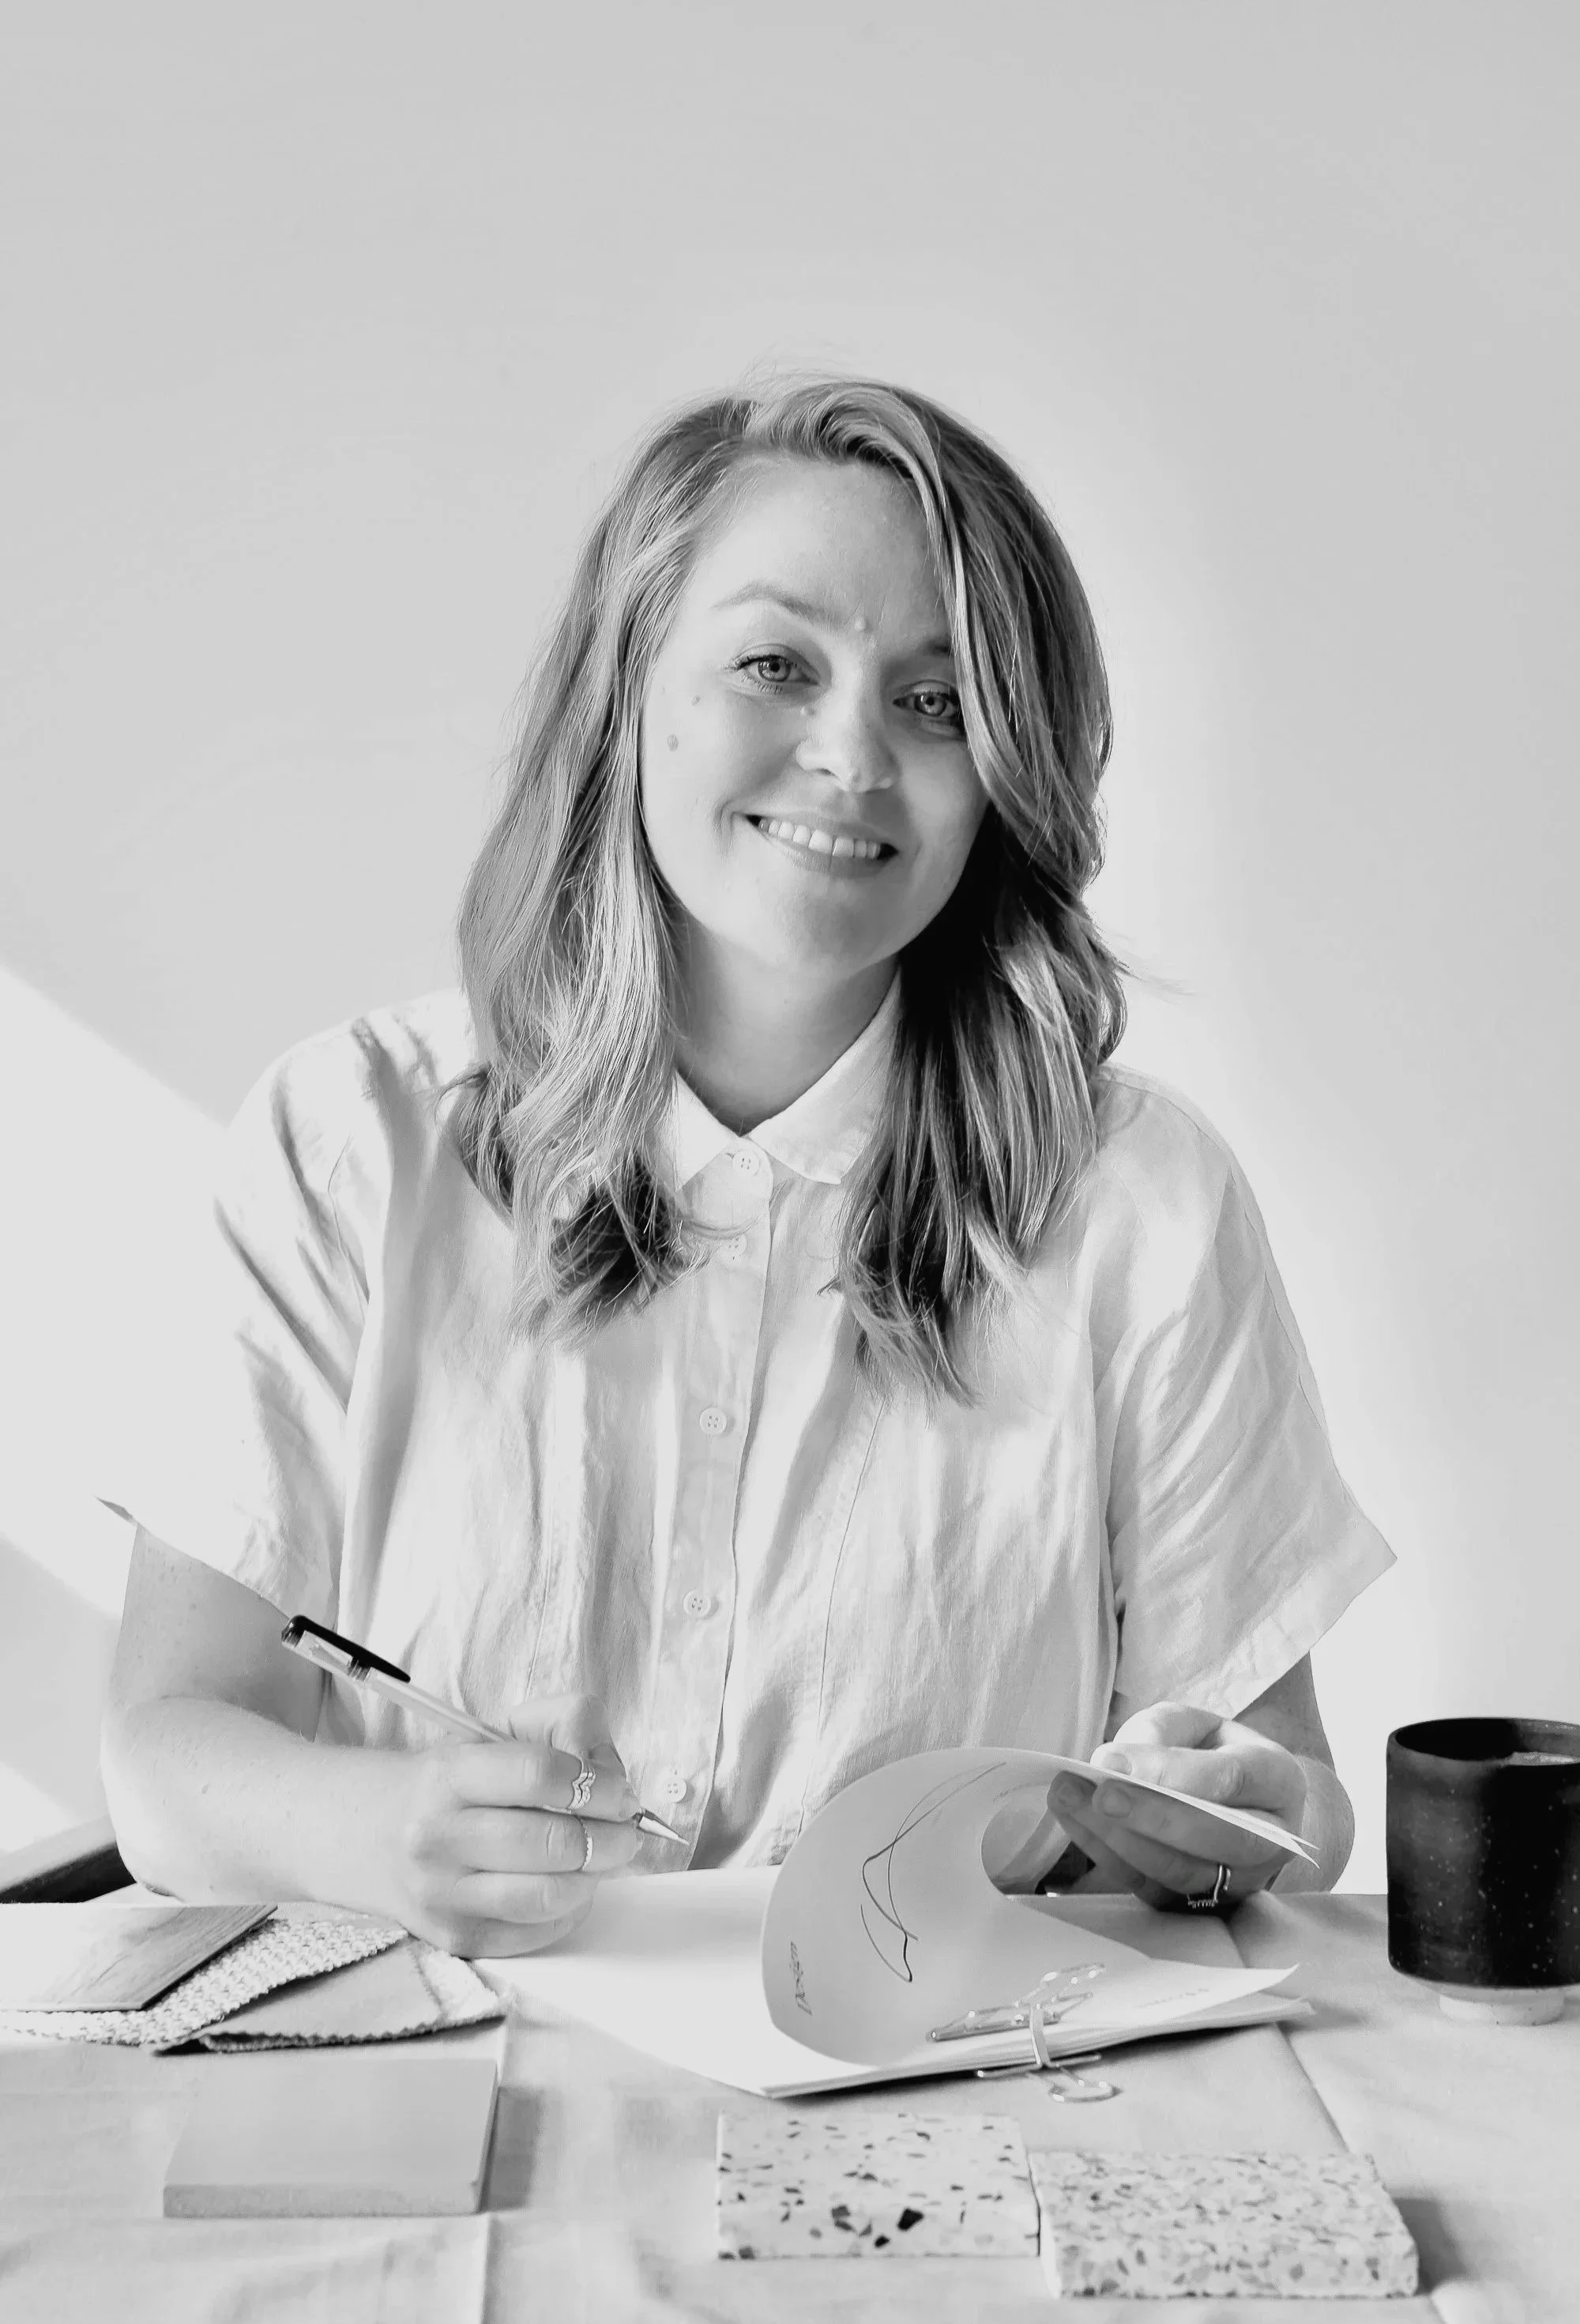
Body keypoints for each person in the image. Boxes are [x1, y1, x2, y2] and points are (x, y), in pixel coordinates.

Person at [100, 373, 1393, 1958]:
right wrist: (377, 1832)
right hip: (443, 2094)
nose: (851, 754)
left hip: (946, 2114)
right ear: (628, 694)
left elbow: (1285, 1813)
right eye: (777, 664)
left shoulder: (1143, 1204)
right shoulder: (348, 1142)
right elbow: (164, 1759)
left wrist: (1231, 1828)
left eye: (936, 701)